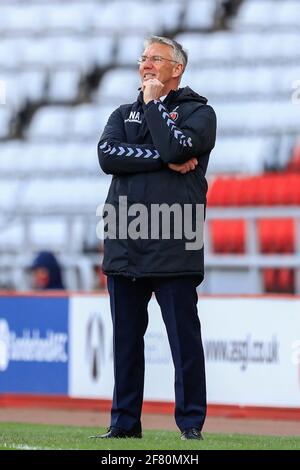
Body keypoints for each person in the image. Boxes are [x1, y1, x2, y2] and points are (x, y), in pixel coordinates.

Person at [94, 36, 216, 440]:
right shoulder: (120, 114)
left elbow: (175, 146)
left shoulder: (200, 113)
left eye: (155, 59)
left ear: (176, 69)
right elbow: (108, 155)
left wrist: (152, 107)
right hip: (125, 239)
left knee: (184, 342)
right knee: (126, 344)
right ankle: (124, 424)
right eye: (143, 58)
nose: (145, 64)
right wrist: (165, 160)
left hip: (174, 241)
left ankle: (191, 425)